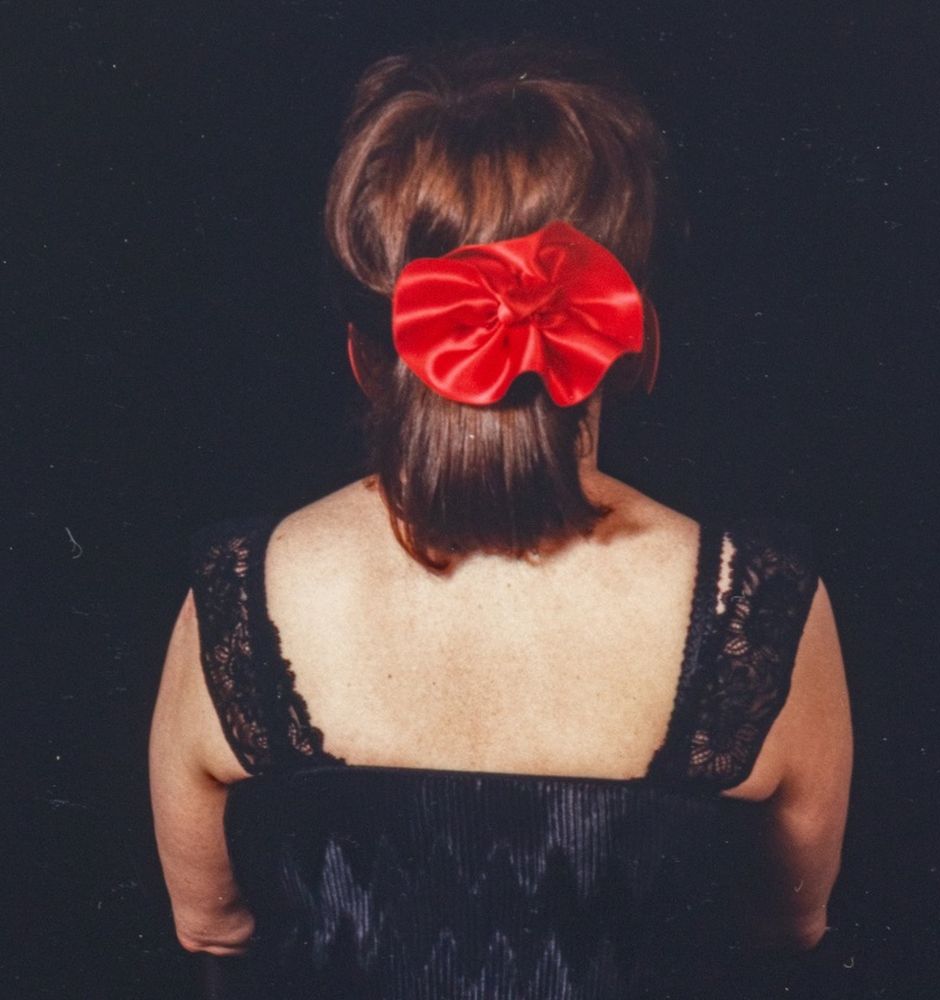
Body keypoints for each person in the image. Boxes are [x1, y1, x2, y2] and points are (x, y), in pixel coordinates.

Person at [150, 44, 852, 1000]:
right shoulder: (758, 608)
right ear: (624, 339)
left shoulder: (237, 596)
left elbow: (211, 928)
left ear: (364, 357)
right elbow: (787, 924)